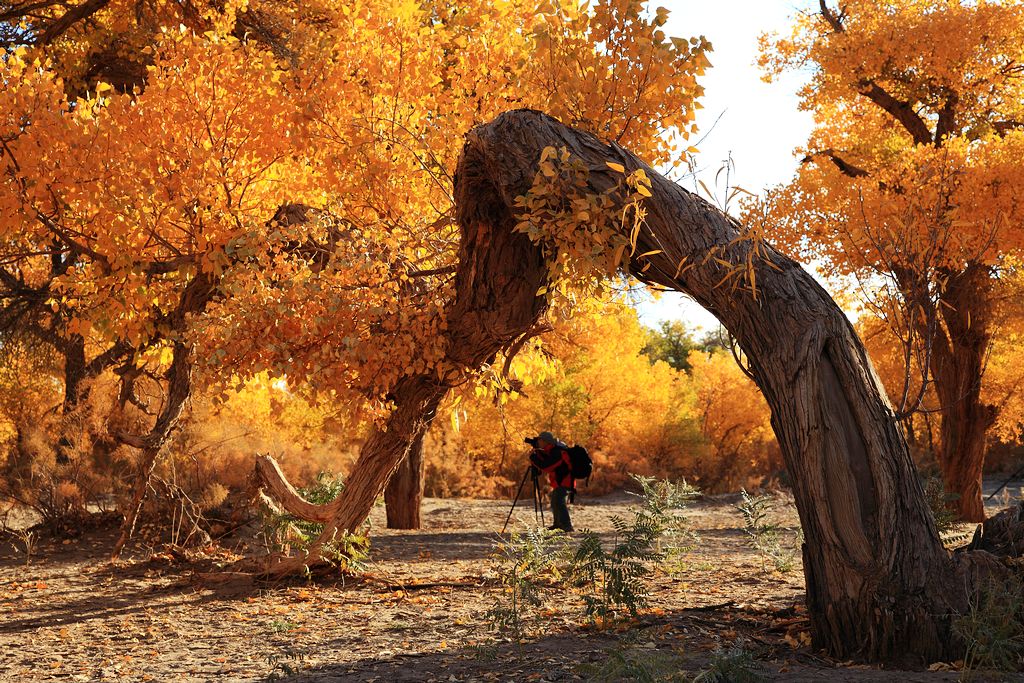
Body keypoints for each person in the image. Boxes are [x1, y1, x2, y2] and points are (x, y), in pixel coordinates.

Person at [528, 431, 574, 532]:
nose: (538, 442)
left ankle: (567, 526)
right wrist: (536, 454)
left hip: (566, 480)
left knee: (559, 501)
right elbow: (544, 462)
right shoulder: (549, 450)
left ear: (545, 441)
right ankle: (558, 524)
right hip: (560, 480)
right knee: (555, 501)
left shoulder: (557, 452)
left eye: (540, 440)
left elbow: (547, 466)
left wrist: (533, 457)